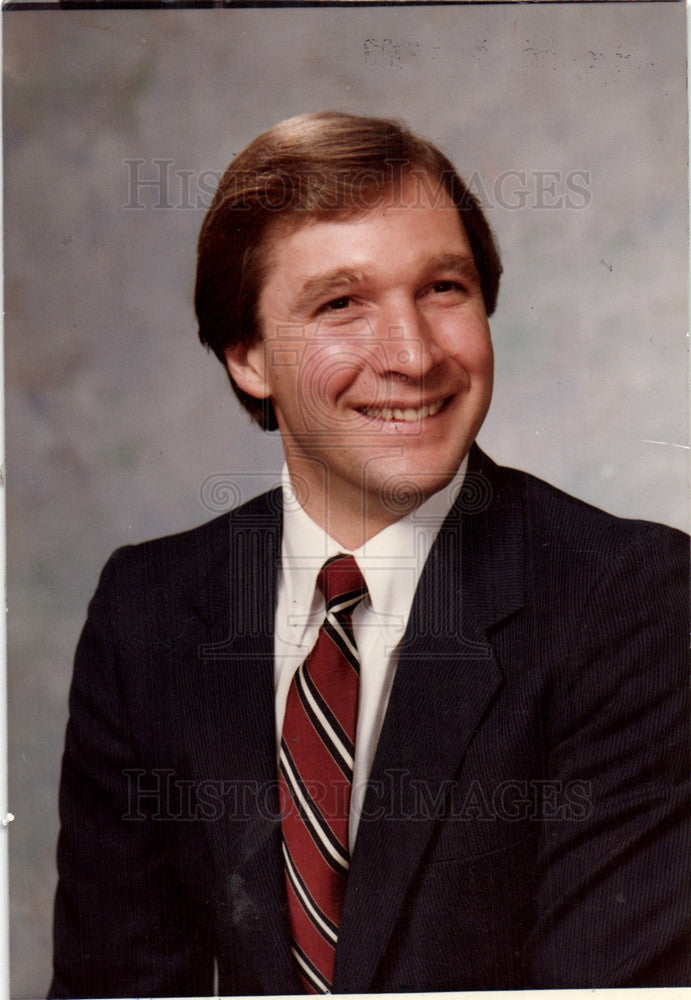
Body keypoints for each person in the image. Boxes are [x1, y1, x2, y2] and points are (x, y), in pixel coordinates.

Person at [49, 111, 689, 997]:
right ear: (247, 358)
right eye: (341, 304)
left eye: (443, 288)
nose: (414, 354)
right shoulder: (148, 607)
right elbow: (116, 986)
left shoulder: (628, 596)